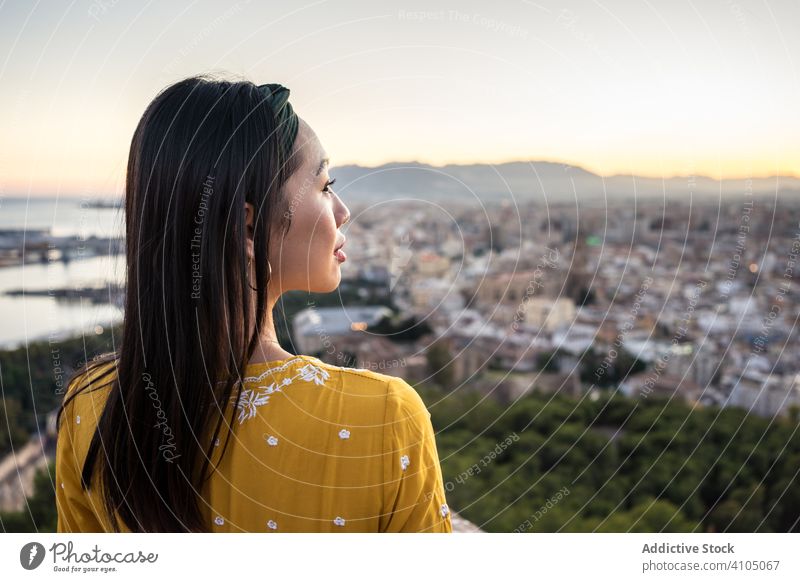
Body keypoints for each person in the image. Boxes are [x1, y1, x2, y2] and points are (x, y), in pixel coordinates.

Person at [55, 76, 452, 533]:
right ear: (248, 226)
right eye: (325, 185)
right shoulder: (382, 417)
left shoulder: (91, 404)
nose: (342, 211)